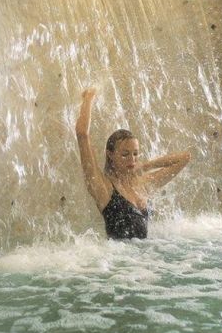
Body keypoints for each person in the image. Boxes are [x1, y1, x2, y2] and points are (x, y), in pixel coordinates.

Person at [75, 87, 191, 240]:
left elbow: (184, 158)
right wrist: (88, 98)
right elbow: (82, 135)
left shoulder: (142, 184)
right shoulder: (103, 188)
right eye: (125, 154)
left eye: (135, 154)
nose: (132, 159)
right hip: (121, 262)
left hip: (142, 261)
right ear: (110, 154)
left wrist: (146, 166)